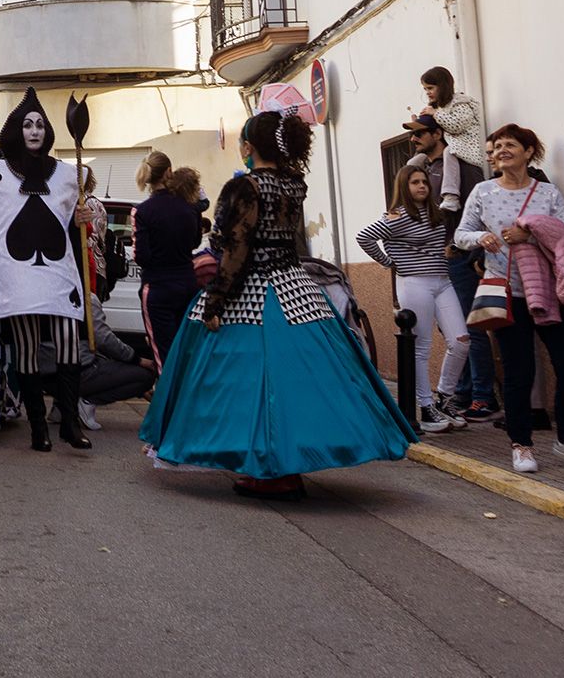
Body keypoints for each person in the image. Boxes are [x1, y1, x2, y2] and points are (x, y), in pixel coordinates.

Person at [140, 111, 415, 499]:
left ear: (249, 147)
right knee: (297, 384)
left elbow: (236, 249)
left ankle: (265, 469)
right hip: (297, 289)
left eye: (242, 143)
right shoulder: (293, 185)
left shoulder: (244, 188)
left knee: (245, 384)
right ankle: (285, 466)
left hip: (251, 292)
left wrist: (217, 300)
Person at [454, 124, 564, 476]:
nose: (501, 151)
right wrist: (481, 237)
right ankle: (521, 444)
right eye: (497, 146)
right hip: (509, 293)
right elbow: (460, 234)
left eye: (510, 145)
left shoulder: (548, 193)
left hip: (552, 290)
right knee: (519, 371)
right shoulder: (483, 192)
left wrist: (529, 232)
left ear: (528, 151)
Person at [0, 89, 92, 453]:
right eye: (27, 124)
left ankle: (70, 423)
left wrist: (81, 219)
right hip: (18, 273)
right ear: (16, 130)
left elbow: (71, 228)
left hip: (59, 271)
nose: (34, 130)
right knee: (26, 350)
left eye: (40, 124)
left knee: (69, 344)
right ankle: (38, 428)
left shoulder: (67, 175)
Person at [356, 163, 468, 436]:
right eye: (414, 182)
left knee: (461, 341)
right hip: (414, 283)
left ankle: (444, 396)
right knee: (422, 346)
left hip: (443, 281)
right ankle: (426, 406)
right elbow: (364, 237)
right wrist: (388, 262)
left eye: (424, 182)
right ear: (404, 188)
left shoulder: (436, 214)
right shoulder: (398, 216)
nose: (421, 186)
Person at [407, 111, 493, 423]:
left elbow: (475, 210)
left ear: (437, 134)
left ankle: (483, 397)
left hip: (461, 256)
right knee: (454, 331)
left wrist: (466, 249)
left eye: (419, 133)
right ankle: (463, 393)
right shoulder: (426, 168)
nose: (414, 139)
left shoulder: (459, 167)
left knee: (471, 328)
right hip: (438, 261)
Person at [132, 151, 202, 369]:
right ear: (168, 172)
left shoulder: (142, 211)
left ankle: (167, 398)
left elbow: (142, 256)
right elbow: (195, 241)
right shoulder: (190, 206)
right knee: (186, 348)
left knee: (164, 354)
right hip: (187, 283)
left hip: (158, 287)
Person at [420, 66, 484, 213]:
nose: (427, 92)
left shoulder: (460, 103)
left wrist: (435, 113)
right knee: (415, 161)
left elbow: (455, 126)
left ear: (442, 86)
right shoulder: (440, 107)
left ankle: (451, 197)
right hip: (454, 148)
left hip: (467, 149)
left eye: (430, 88)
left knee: (449, 151)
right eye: (425, 89)